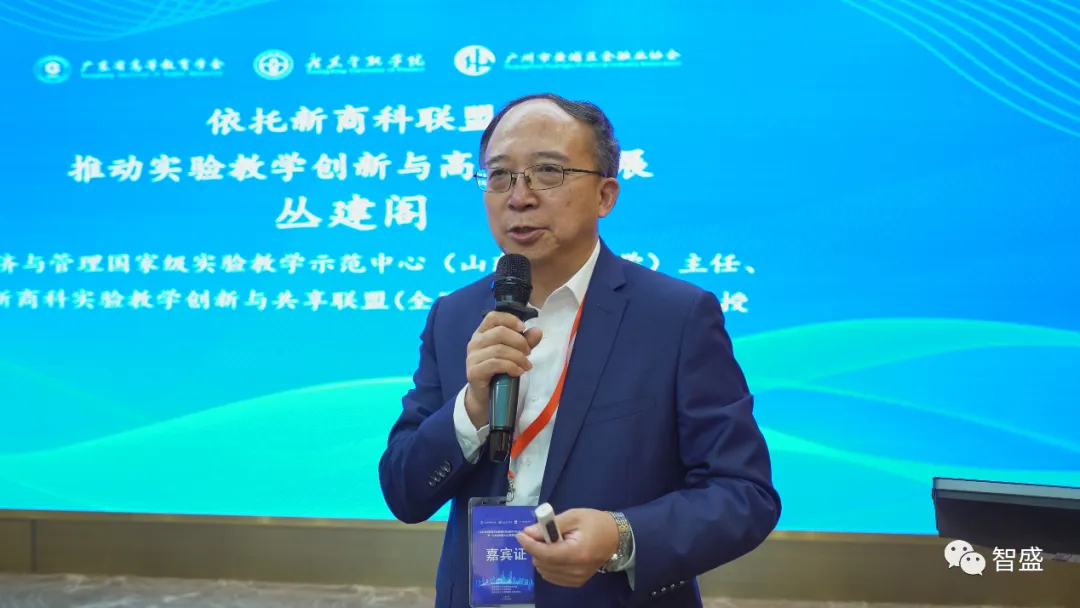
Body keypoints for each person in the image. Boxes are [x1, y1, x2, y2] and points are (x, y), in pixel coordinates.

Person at [378, 93, 780, 608]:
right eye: (499, 175)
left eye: (548, 172)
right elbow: (404, 492)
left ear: (605, 195)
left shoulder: (675, 317)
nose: (518, 197)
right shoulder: (454, 315)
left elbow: (744, 494)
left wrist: (622, 536)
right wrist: (471, 409)